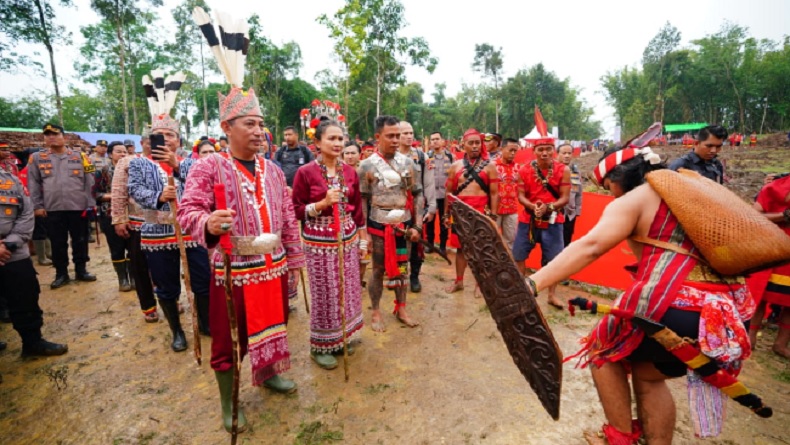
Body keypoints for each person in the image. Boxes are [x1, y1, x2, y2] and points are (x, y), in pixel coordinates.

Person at [530, 143, 755, 445]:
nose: (610, 193)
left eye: (608, 186)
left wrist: (532, 284)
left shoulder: (636, 198)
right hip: (722, 316)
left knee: (602, 354)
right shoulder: (691, 187)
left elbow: (591, 246)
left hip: (676, 307)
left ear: (620, 175)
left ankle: (620, 437)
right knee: (649, 377)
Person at [177, 40, 305, 431]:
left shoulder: (273, 169)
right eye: (249, 123)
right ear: (226, 127)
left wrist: (295, 260)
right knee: (230, 341)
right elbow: (187, 212)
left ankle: (268, 374)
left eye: (261, 123)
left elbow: (286, 217)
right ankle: (228, 404)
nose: (259, 131)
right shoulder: (208, 166)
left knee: (274, 325)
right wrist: (208, 224)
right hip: (234, 270)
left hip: (274, 265)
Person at [128, 72, 211, 351]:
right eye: (159, 135)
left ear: (178, 139)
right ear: (151, 140)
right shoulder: (139, 163)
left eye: (171, 134)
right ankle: (177, 330)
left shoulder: (192, 162)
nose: (165, 139)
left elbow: (203, 187)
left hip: (190, 231)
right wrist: (157, 196)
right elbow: (135, 191)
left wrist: (177, 166)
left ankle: (206, 322)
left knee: (201, 279)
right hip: (156, 232)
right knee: (166, 285)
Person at [292, 120, 365, 370]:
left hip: (347, 238)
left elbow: (357, 208)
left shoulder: (350, 172)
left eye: (340, 139)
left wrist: (361, 236)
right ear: (317, 143)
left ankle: (342, 337)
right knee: (326, 293)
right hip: (319, 242)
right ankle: (320, 346)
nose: (337, 143)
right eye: (331, 139)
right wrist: (322, 204)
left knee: (348, 290)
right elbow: (296, 210)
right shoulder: (306, 173)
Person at [358, 115, 422, 331]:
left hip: (403, 225)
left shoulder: (409, 163)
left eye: (399, 135)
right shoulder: (366, 165)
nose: (396, 140)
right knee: (377, 270)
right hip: (377, 224)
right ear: (378, 137)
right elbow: (363, 200)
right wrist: (364, 232)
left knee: (403, 268)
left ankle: (401, 307)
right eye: (391, 136)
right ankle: (375, 311)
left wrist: (418, 226)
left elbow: (418, 194)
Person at [0, 161, 68, 357]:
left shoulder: (10, 180)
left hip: (14, 252)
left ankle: (32, 343)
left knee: (26, 298)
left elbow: (26, 213)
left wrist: (10, 242)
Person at [27, 123, 96, 289]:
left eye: (55, 134)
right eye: (47, 134)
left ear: (64, 137)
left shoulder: (81, 156)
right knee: (58, 242)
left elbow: (90, 181)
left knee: (80, 240)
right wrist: (37, 205)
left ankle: (81, 270)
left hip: (78, 206)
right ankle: (61, 273)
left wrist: (90, 203)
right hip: (52, 207)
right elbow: (34, 184)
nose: (51, 137)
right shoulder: (37, 158)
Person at [512, 136, 570, 308]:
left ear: (553, 150)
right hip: (528, 220)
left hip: (553, 221)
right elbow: (521, 196)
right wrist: (532, 206)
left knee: (554, 260)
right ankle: (523, 291)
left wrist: (548, 207)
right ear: (534, 151)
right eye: (540, 149)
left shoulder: (563, 170)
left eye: (548, 149)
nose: (544, 153)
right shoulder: (524, 170)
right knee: (518, 255)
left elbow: (565, 198)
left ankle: (552, 295)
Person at [444, 129, 500, 294]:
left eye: (478, 143)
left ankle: (480, 284)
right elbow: (449, 192)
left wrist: (493, 215)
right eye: (471, 143)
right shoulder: (455, 166)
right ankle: (459, 281)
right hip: (461, 213)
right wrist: (447, 214)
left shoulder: (490, 166)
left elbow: (494, 193)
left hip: (481, 212)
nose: (475, 146)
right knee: (461, 249)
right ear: (464, 145)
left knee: (481, 250)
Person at [112, 128, 158, 323]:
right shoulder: (128, 162)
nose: (153, 145)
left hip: (166, 225)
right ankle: (148, 306)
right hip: (138, 224)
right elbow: (118, 191)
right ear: (142, 142)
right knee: (140, 266)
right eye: (149, 141)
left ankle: (169, 300)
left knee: (164, 267)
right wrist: (119, 218)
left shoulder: (169, 162)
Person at [750, 173, 790, 358]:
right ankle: (750, 338)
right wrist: (784, 216)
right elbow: (754, 215)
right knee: (761, 295)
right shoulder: (776, 186)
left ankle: (780, 345)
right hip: (775, 248)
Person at [399, 121, 436, 293]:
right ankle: (400, 275)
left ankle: (414, 276)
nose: (409, 136)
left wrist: (432, 207)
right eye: (404, 133)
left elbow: (429, 184)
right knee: (398, 243)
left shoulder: (422, 156)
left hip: (417, 206)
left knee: (417, 243)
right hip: (396, 207)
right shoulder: (390, 155)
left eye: (411, 132)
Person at [94, 141, 133, 292]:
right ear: (110, 154)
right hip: (109, 215)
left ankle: (134, 277)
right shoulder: (102, 171)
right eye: (118, 152)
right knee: (116, 248)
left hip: (131, 214)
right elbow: (95, 194)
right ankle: (122, 279)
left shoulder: (133, 169)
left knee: (132, 248)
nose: (123, 154)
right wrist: (116, 196)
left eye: (125, 152)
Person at [426, 132, 453, 254]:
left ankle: (442, 246)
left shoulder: (450, 157)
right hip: (431, 195)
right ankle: (430, 245)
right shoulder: (426, 157)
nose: (435, 141)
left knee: (444, 220)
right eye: (432, 139)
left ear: (442, 141)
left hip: (445, 195)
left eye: (437, 139)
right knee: (429, 221)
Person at [494, 138, 521, 251]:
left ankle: (506, 267)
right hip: (495, 209)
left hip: (512, 209)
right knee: (492, 239)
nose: (513, 153)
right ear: (501, 149)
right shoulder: (492, 166)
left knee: (510, 240)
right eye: (510, 150)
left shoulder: (518, 168)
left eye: (515, 151)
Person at [558, 143, 583, 247]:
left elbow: (578, 193)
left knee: (566, 241)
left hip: (569, 214)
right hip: (555, 213)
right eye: (564, 153)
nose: (567, 156)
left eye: (569, 153)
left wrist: (577, 210)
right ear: (557, 154)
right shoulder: (552, 171)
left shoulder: (575, 172)